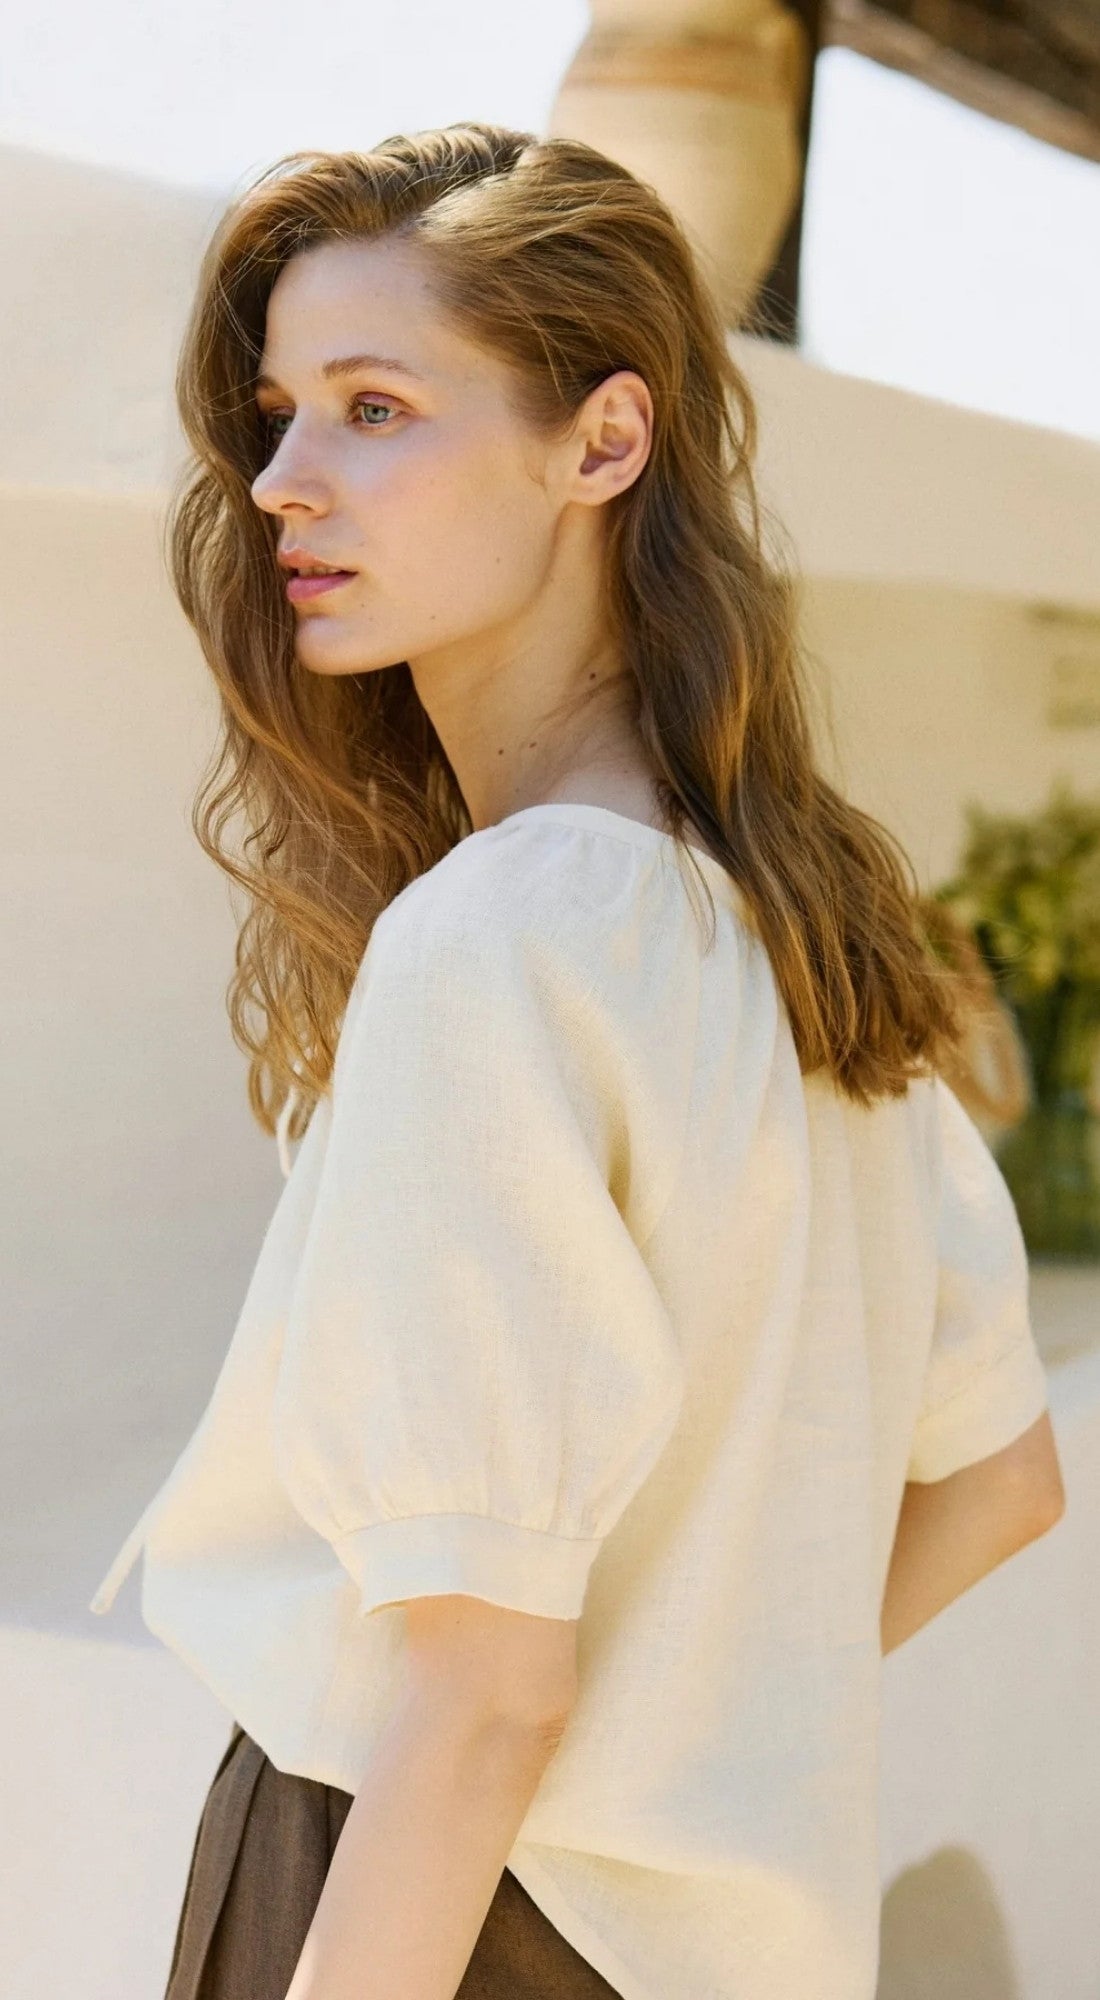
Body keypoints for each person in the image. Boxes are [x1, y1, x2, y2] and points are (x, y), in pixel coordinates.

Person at [89, 121, 1066, 2000]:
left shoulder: (500, 937)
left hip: (425, 1895)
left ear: (603, 444)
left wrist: (551, 1758)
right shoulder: (801, 927)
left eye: (376, 408)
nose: (283, 481)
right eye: (280, 416)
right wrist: (699, 1740)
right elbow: (1004, 1477)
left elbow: (481, 1699)